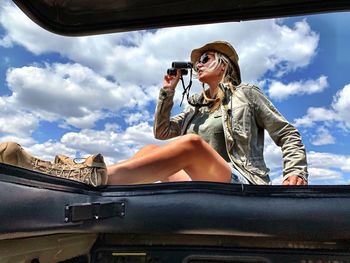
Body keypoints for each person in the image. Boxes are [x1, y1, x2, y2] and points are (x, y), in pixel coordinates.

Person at [0, 41, 308, 186]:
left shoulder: (247, 94)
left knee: (190, 146)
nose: (197, 64)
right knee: (150, 149)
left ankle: (85, 177)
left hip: (242, 182)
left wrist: (295, 171)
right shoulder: (194, 112)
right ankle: (72, 178)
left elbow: (287, 133)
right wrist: (168, 91)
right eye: (196, 61)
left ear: (224, 65)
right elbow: (161, 133)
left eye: (205, 58)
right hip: (201, 184)